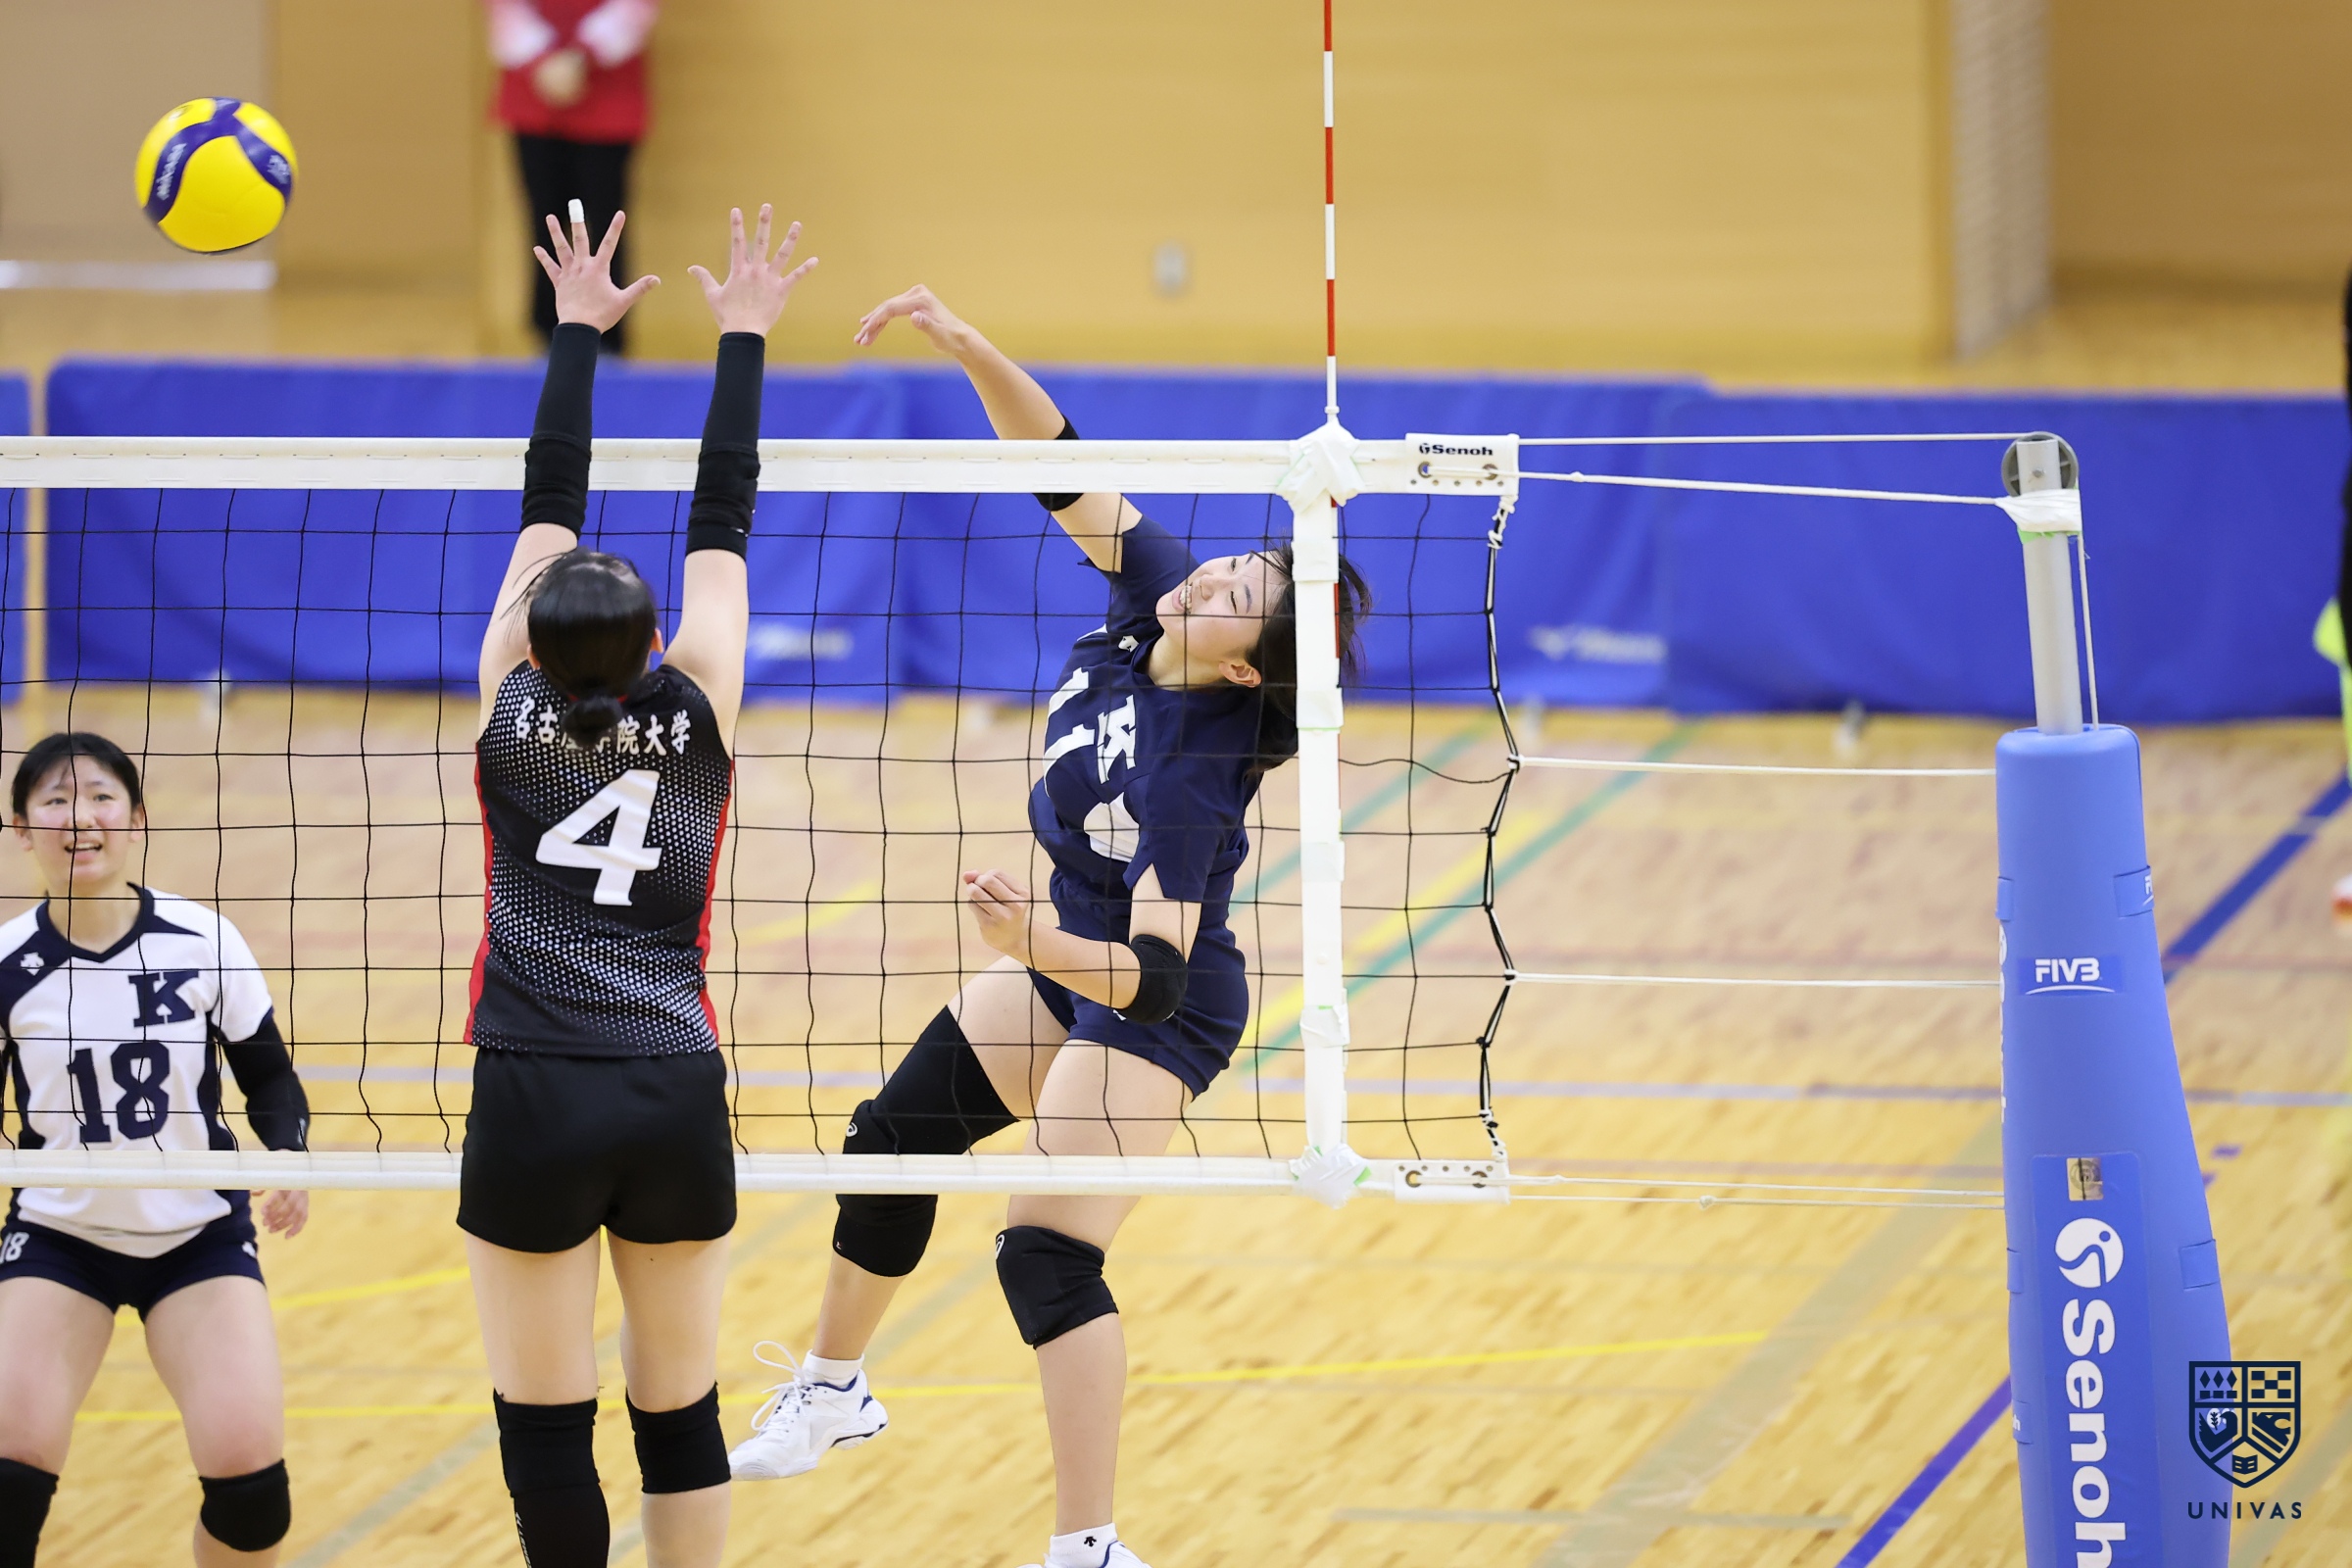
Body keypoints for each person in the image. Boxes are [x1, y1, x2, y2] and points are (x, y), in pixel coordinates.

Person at [727, 285, 1370, 1568]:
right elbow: (1057, 462)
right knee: (891, 1140)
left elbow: (1154, 978)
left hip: (1154, 1005)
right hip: (1067, 950)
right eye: (1233, 562)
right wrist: (967, 343)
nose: (1217, 573)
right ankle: (833, 1391)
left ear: (1247, 665)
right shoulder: (1159, 595)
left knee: (1045, 1257)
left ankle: (1089, 1547)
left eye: (1242, 590)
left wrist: (1034, 948)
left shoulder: (1193, 781)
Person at [460, 201, 810, 1568]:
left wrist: (577, 332)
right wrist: (742, 335)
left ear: (532, 643)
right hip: (671, 1081)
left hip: (531, 1082)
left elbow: (545, 499)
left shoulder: (506, 701)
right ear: (659, 639)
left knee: (546, 1427)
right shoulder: (703, 698)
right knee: (681, 1412)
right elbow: (726, 510)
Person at [0, 732, 313, 1568]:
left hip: (196, 1237)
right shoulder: (7, 964)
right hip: (60, 1237)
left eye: (101, 797)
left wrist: (288, 1155)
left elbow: (270, 1078)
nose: (80, 818)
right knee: (7, 1483)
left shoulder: (201, 939)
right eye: (55, 801)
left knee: (254, 1501)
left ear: (136, 818)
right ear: (22, 829)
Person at [484, 1, 661, 351]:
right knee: (545, 225)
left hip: (609, 95)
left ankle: (608, 342)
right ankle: (547, 337)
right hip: (534, 93)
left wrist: (582, 56)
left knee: (607, 228)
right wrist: (541, 60)